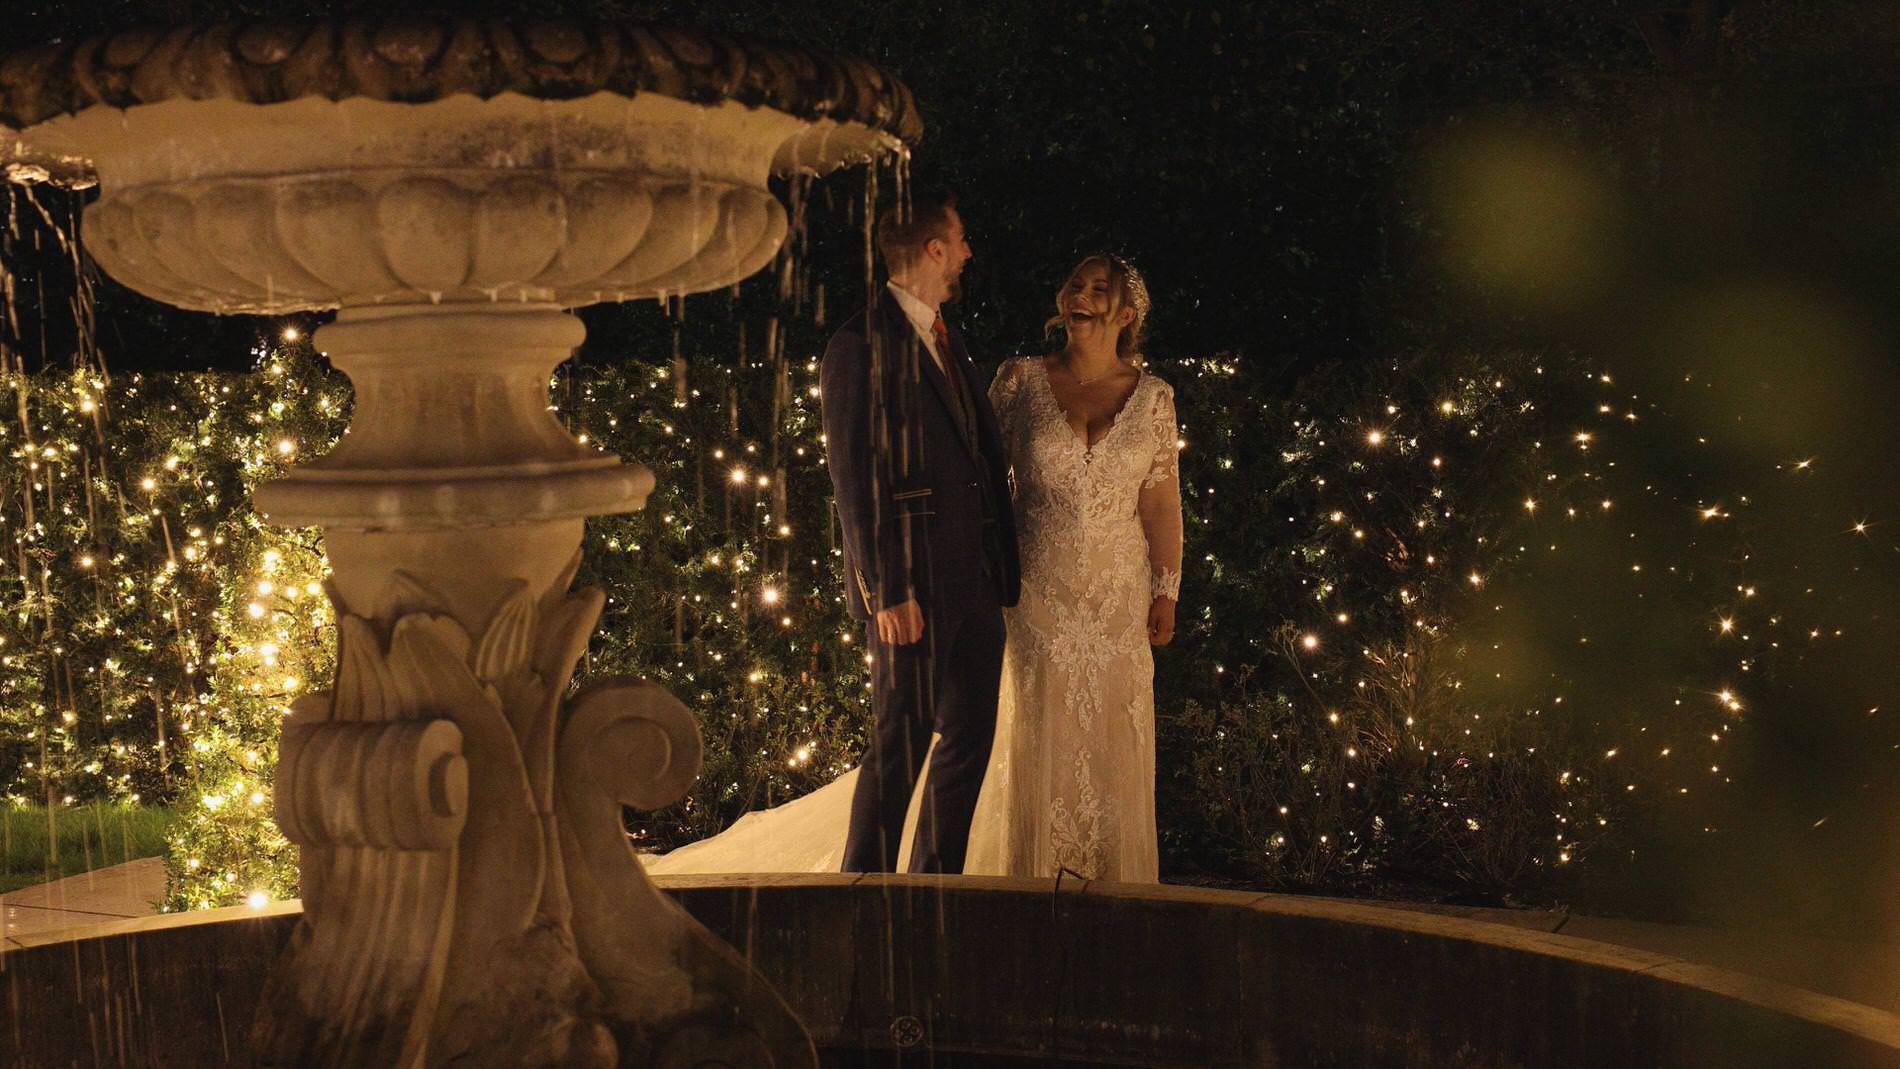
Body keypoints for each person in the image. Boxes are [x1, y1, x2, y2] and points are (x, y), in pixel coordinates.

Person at [818, 192, 1020, 874]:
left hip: (974, 584)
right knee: (898, 746)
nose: (967, 253)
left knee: (968, 743)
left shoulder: (946, 336)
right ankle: (861, 895)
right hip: (912, 595)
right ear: (934, 248)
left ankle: (936, 892)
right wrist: (889, 589)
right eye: (959, 241)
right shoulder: (858, 344)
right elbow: (854, 476)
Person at [963, 253, 1182, 882]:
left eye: (1099, 289)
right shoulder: (1018, 381)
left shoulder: (1156, 399)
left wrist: (1166, 590)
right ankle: (1029, 881)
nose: (1080, 296)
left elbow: (1161, 503)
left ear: (1127, 314)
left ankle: (1115, 884)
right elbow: (977, 484)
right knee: (1039, 732)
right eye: (1075, 285)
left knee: (1114, 736)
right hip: (1035, 593)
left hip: (1117, 598)